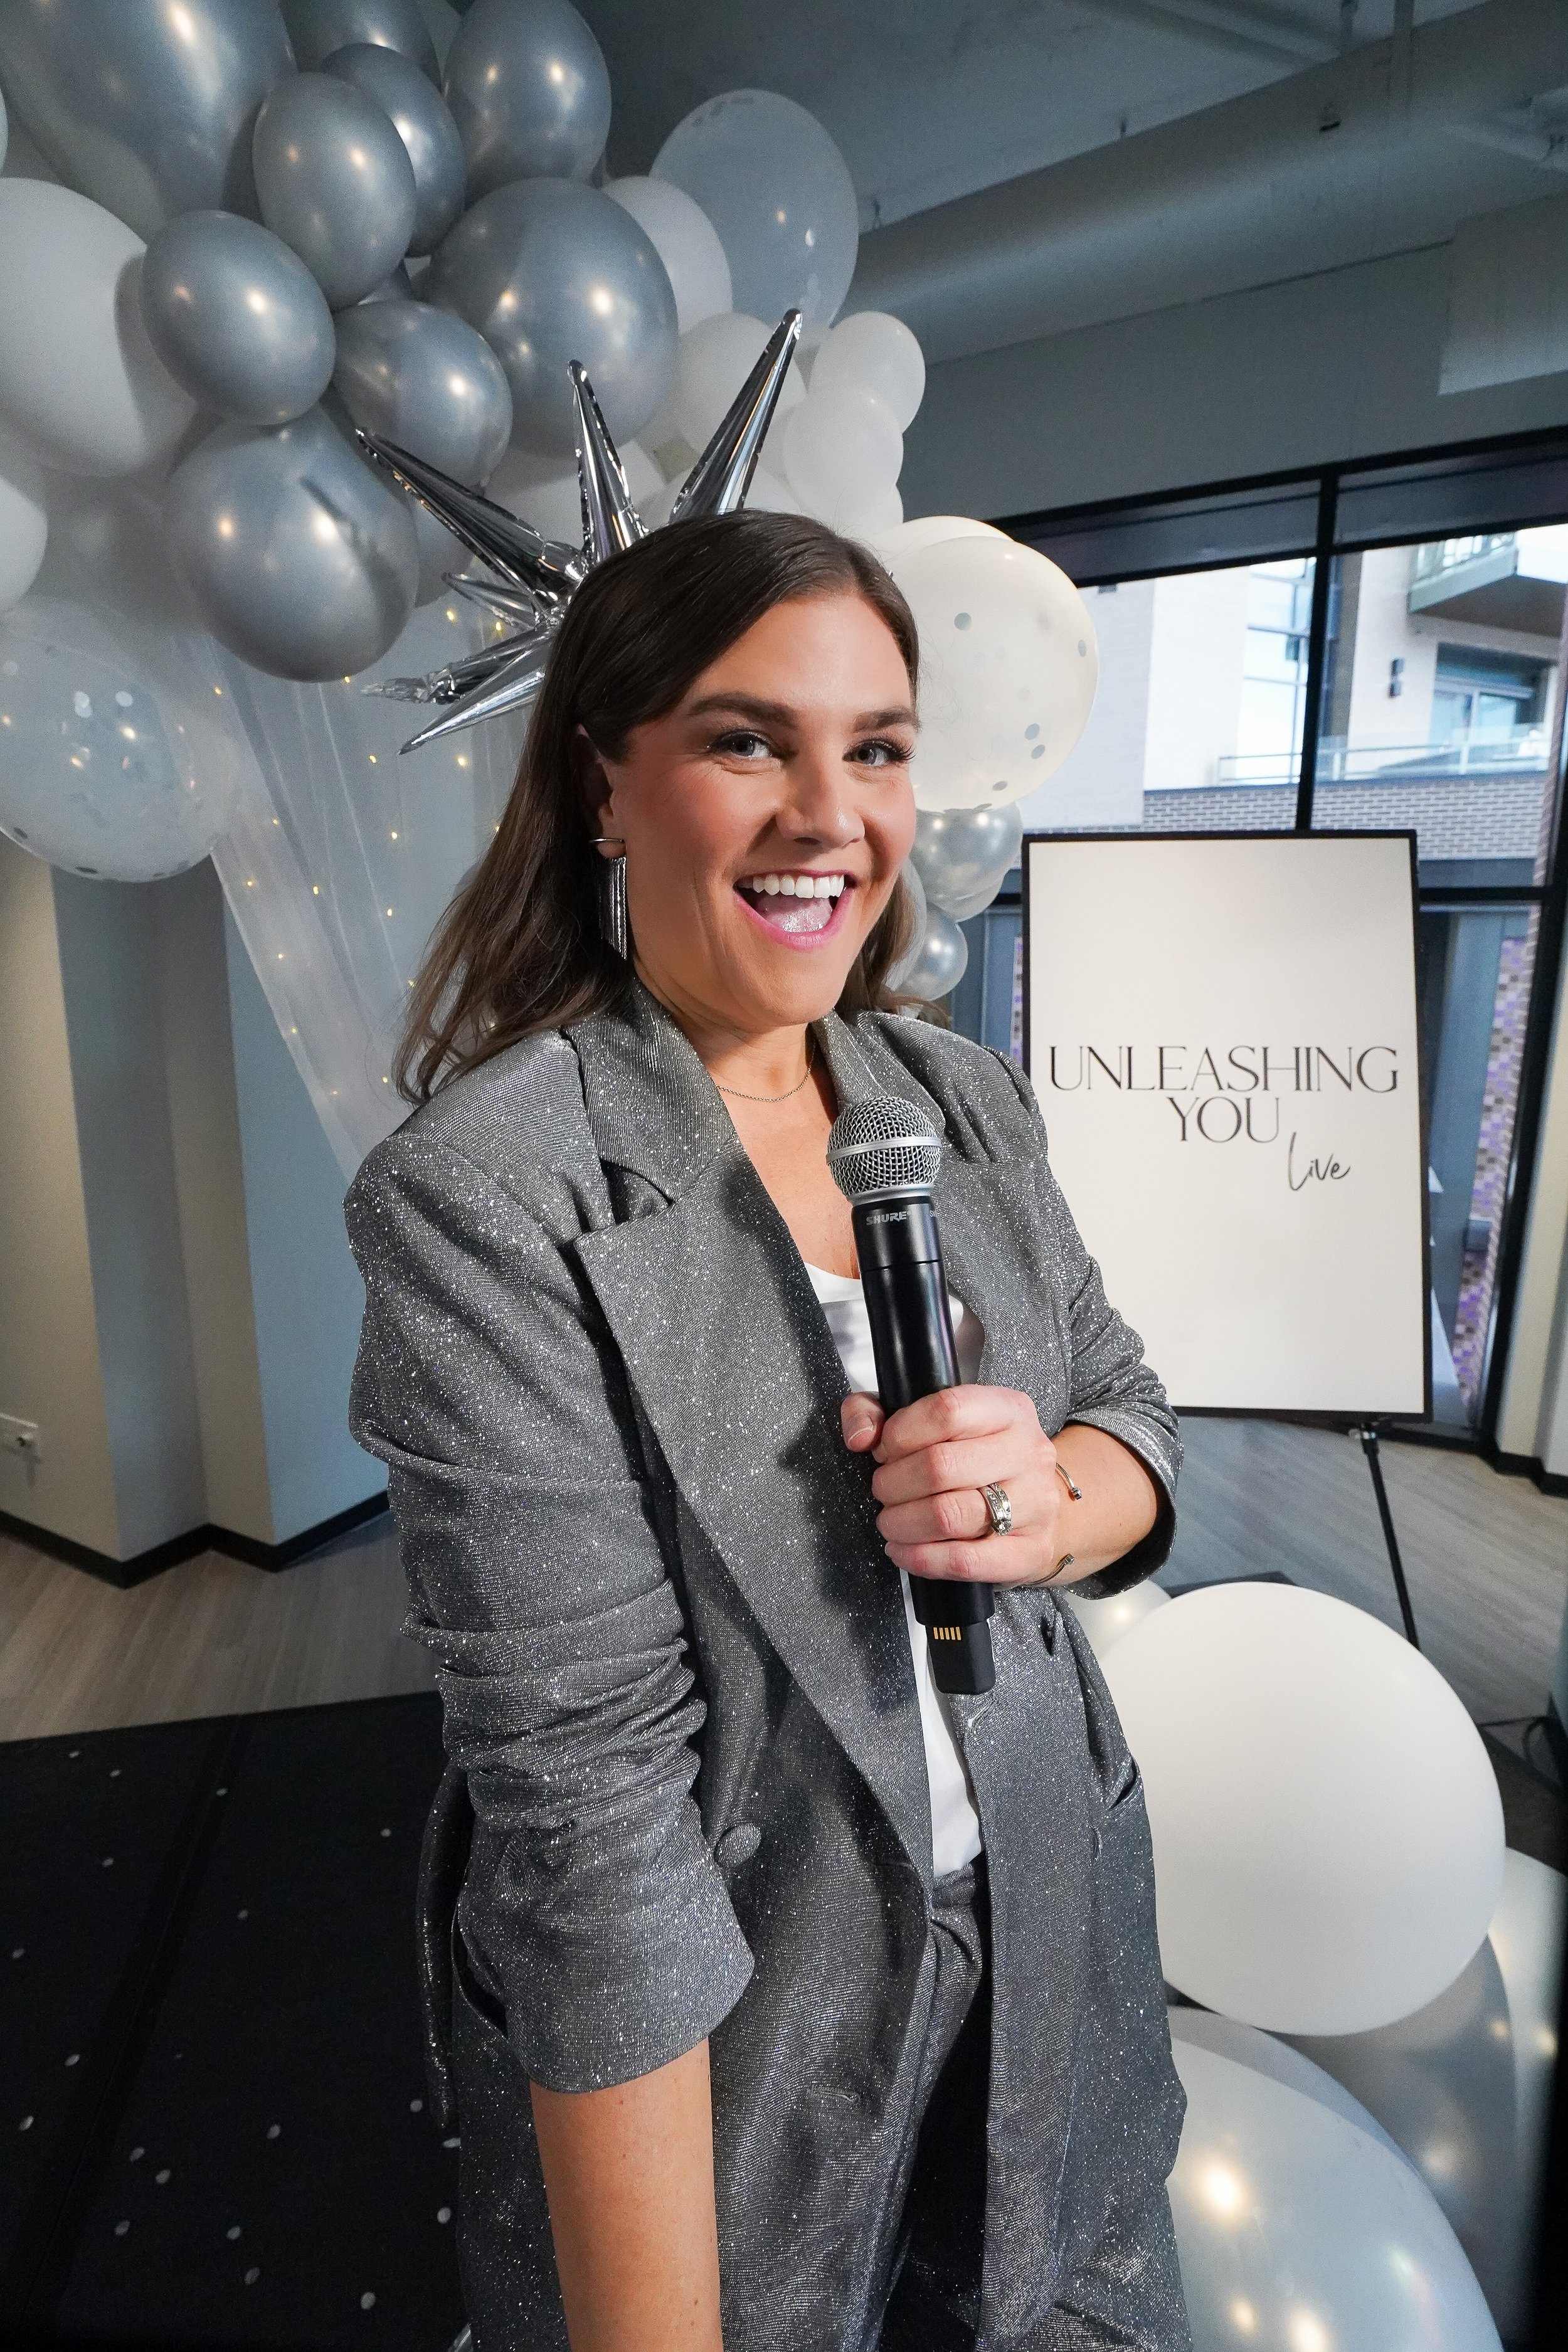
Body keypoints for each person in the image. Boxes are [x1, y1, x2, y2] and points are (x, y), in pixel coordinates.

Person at [346, 511, 1189, 2352]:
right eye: (749, 742)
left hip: (1054, 1917)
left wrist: (1048, 1508)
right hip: (748, 1999)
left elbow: (1123, 1401)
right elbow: (592, 1824)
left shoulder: (956, 1098)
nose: (832, 815)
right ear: (605, 783)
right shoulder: (488, 1194)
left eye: (874, 749)